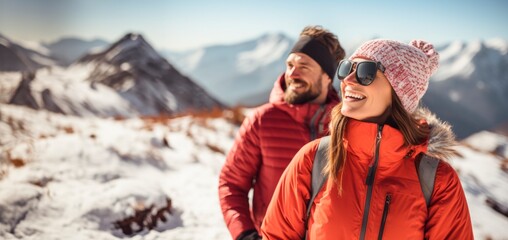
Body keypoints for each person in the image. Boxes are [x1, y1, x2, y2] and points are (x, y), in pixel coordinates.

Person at [261, 39, 474, 239]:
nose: (348, 81)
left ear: (398, 93)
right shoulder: (313, 159)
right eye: (347, 69)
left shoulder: (438, 181)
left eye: (366, 72)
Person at [218, 25, 345, 240]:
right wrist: (245, 234)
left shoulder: (345, 127)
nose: (292, 74)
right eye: (289, 65)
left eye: (303, 66)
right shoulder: (261, 121)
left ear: (326, 77)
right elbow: (231, 185)